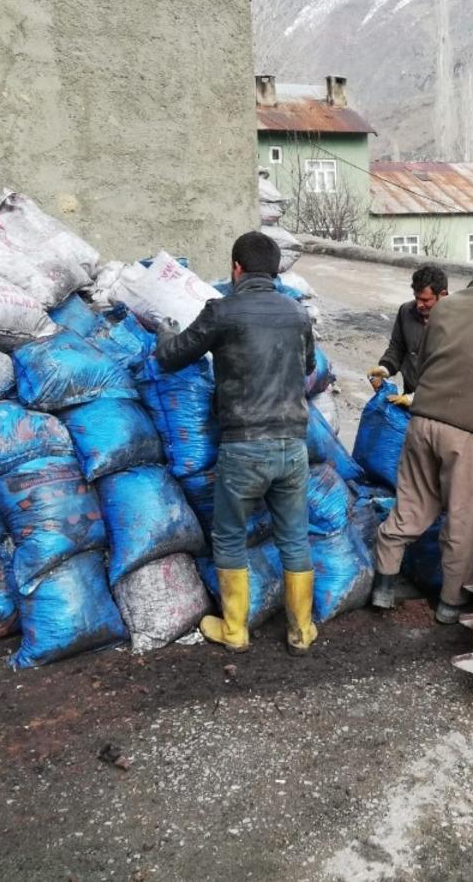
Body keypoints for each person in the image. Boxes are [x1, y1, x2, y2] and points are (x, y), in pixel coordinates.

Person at [155, 231, 318, 656]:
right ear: (275, 271)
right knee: (295, 538)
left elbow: (171, 358)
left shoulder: (222, 311)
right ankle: (301, 631)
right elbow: (309, 366)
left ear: (236, 268)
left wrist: (163, 332)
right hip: (293, 446)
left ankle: (234, 630)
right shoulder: (297, 313)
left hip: (244, 446)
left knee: (229, 536)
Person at [371, 250, 473, 622]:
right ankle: (450, 604)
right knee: (464, 518)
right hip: (466, 432)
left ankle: (383, 585)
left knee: (411, 506)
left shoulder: (445, 307)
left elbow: (426, 361)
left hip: (421, 422)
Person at [366, 264, 449, 398]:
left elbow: (454, 369)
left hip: (439, 400)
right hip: (410, 391)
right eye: (417, 298)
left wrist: (419, 398)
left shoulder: (456, 321)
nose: (419, 305)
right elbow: (398, 347)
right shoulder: (406, 311)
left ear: (442, 295)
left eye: (425, 300)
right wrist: (386, 367)